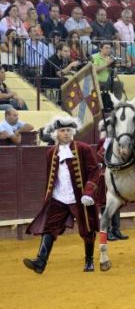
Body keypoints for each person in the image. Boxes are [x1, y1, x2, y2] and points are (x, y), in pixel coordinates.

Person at [23, 116, 100, 274]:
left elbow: (94, 171)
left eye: (68, 130)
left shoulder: (83, 148)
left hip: (79, 198)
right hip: (58, 198)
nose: (65, 133)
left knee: (87, 228)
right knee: (49, 228)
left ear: (73, 132)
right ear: (56, 133)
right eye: (62, 131)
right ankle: (40, 262)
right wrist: (48, 197)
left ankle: (89, 260)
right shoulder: (51, 152)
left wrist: (89, 192)